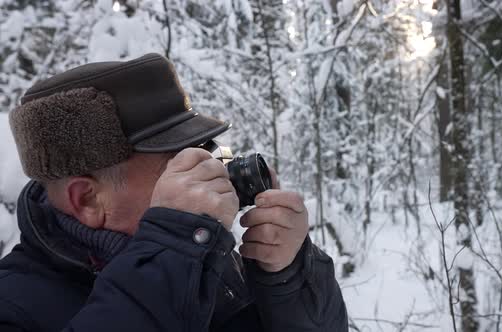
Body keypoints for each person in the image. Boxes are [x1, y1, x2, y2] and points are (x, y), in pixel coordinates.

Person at [0, 53, 347, 331]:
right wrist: (170, 254)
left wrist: (288, 279)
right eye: (177, 166)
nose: (211, 175)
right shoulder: (13, 306)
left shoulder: (202, 256)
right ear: (89, 200)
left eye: (204, 153)